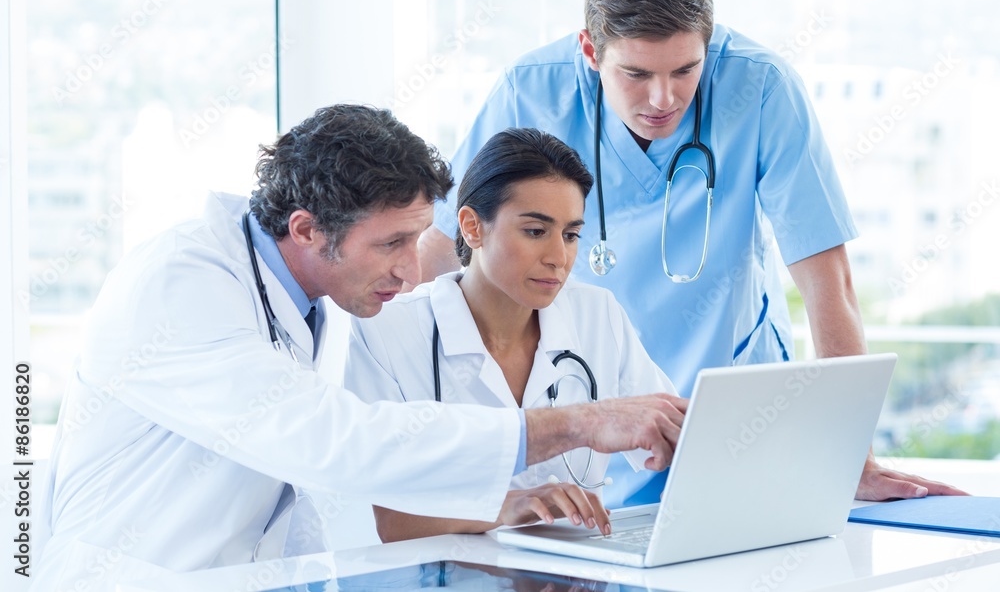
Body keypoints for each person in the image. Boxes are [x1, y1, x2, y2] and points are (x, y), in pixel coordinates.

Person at [33, 105, 686, 591]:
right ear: (308, 229)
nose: (411, 269)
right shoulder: (181, 286)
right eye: (392, 244)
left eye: (414, 239)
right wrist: (577, 422)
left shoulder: (308, 299)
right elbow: (337, 440)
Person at [416, 0, 965, 505]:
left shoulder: (761, 87)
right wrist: (461, 413)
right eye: (635, 73)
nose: (664, 98)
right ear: (590, 49)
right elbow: (444, 245)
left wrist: (853, 454)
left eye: (686, 70)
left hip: (733, 401)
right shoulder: (531, 90)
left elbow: (828, 281)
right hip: (591, 399)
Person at [345, 128, 686, 542]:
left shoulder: (598, 314)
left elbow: (675, 439)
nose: (559, 258)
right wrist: (510, 505)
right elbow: (394, 523)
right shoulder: (386, 332)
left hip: (577, 577)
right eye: (535, 231)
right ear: (472, 227)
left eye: (571, 235)